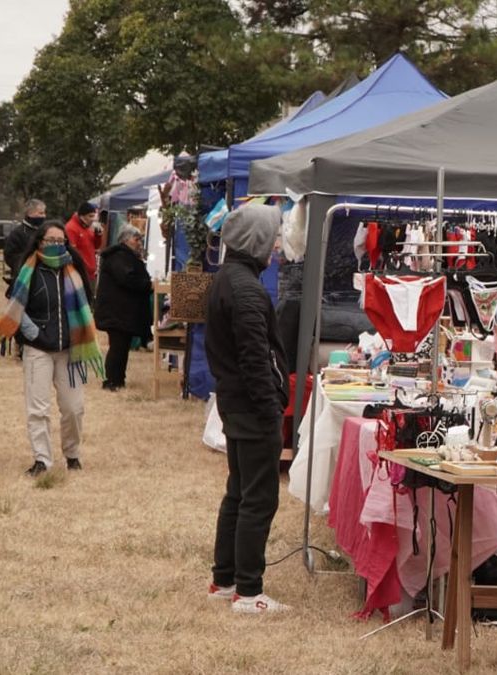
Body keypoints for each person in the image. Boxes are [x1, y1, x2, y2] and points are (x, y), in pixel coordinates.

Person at [204, 204, 291, 614]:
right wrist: (271, 407)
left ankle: (225, 580)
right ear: (255, 240)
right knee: (258, 498)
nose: (275, 246)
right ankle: (248, 592)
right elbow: (256, 358)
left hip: (234, 402)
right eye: (271, 238)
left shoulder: (227, 279)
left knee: (239, 493)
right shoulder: (246, 290)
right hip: (252, 407)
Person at [0, 221, 104, 476]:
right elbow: (16, 306)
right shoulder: (28, 269)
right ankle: (42, 460)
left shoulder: (74, 269)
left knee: (74, 408)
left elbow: (86, 303)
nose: (55, 245)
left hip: (71, 349)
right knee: (38, 409)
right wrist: (35, 333)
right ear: (39, 242)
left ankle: (72, 454)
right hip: (38, 349)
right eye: (50, 240)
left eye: (60, 241)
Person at [95, 226, 152, 391]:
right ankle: (112, 380)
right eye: (136, 239)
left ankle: (118, 379)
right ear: (126, 240)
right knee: (118, 346)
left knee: (122, 346)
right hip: (116, 311)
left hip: (121, 311)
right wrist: (147, 285)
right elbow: (127, 279)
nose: (139, 243)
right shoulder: (119, 257)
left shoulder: (124, 256)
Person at [4, 199, 47, 286]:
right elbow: (10, 257)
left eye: (44, 213)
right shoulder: (17, 233)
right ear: (30, 213)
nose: (44, 216)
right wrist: (29, 261)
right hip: (24, 279)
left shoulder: (45, 231)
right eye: (40, 213)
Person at [65, 202, 102, 284]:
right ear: (82, 216)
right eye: (90, 216)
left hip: (90, 273)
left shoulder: (87, 227)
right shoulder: (71, 228)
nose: (93, 219)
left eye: (94, 216)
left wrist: (98, 236)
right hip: (80, 274)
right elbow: (72, 253)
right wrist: (86, 267)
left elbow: (96, 246)